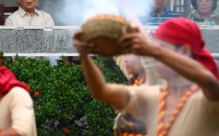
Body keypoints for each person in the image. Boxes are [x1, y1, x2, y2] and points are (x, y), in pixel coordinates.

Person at [73, 18, 219, 135]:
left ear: (185, 51)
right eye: (153, 50)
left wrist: (152, 50)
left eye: (161, 48)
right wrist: (84, 56)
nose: (153, 55)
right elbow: (102, 91)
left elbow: (209, 82)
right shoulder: (152, 95)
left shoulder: (205, 99)